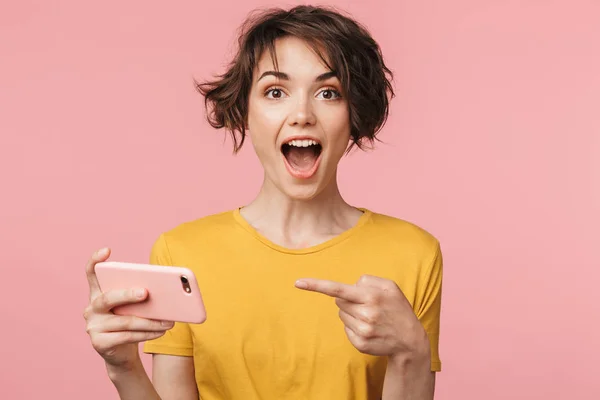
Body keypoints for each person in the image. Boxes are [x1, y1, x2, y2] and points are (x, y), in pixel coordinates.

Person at [83, 5, 443, 400]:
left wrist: (412, 350)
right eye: (276, 92)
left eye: (329, 92)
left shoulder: (414, 254)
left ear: (353, 114)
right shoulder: (181, 252)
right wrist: (123, 367)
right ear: (245, 112)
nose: (302, 114)